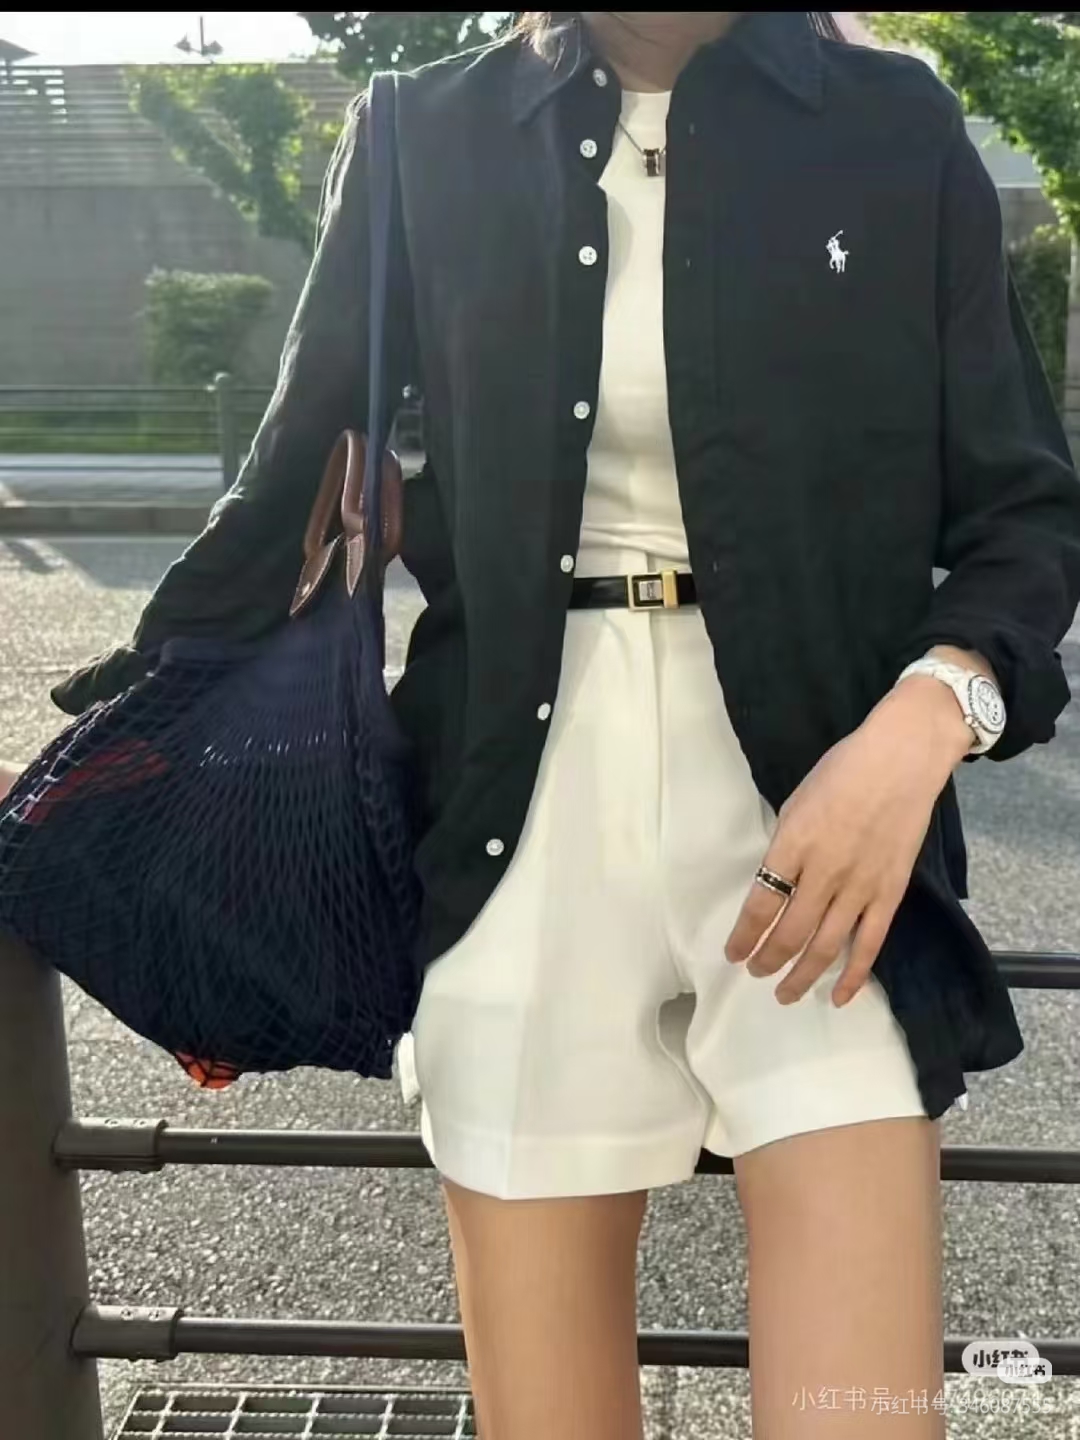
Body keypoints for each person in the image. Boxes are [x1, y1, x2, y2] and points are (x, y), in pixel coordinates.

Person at [16, 10, 1080, 1438]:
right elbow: (286, 481)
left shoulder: (893, 126)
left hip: (826, 845)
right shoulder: (423, 132)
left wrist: (927, 723)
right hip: (518, 831)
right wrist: (102, 756)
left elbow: (1025, 514)